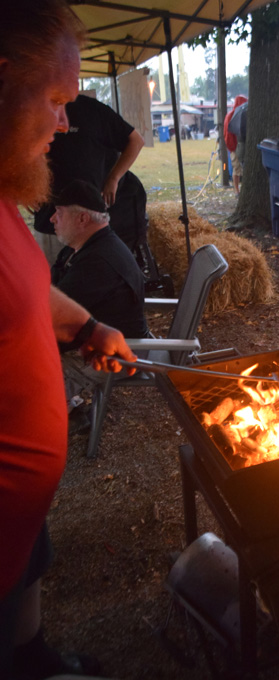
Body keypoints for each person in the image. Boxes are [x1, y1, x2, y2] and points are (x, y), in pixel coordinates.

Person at [0, 3, 137, 678]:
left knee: (28, 579)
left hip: (19, 516)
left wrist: (83, 325)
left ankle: (33, 656)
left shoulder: (1, 198)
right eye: (55, 101)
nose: (64, 123)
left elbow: (21, 289)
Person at [50, 180, 149, 422]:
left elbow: (51, 320)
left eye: (59, 213)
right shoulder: (86, 248)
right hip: (98, 345)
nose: (52, 219)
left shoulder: (98, 262)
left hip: (117, 355)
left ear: (82, 219)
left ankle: (51, 408)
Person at [33, 93, 145, 264]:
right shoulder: (33, 110)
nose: (62, 123)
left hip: (87, 220)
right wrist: (28, 188)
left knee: (87, 275)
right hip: (49, 217)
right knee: (52, 278)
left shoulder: (92, 110)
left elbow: (135, 141)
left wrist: (113, 178)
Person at [223, 95, 248, 195]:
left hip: (240, 146)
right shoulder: (231, 116)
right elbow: (229, 135)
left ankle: (240, 189)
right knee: (237, 168)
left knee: (240, 168)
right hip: (235, 147)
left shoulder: (238, 115)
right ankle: (236, 190)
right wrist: (233, 147)